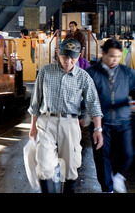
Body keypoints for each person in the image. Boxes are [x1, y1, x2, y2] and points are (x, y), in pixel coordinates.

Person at [28, 37, 103, 193]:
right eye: (65, 56)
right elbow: (36, 102)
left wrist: (98, 129)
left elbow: (93, 103)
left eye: (72, 57)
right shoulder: (45, 71)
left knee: (70, 167)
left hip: (70, 123)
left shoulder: (83, 77)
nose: (68, 61)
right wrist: (33, 126)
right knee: (44, 165)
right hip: (47, 121)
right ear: (58, 54)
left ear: (78, 56)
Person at [85, 38, 135, 193]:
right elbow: (83, 97)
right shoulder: (91, 73)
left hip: (123, 121)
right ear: (103, 54)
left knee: (127, 154)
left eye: (118, 57)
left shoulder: (127, 73)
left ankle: (118, 176)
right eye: (112, 56)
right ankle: (107, 188)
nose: (115, 60)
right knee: (102, 158)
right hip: (101, 123)